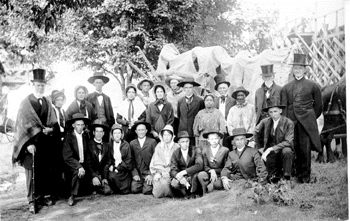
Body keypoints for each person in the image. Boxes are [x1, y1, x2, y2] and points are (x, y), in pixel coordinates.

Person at [12, 69, 57, 213]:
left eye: (42, 85)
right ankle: (32, 200)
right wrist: (28, 145)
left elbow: (53, 123)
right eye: (38, 85)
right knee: (31, 172)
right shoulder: (26, 103)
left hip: (45, 143)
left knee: (44, 170)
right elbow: (21, 126)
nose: (40, 87)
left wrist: (50, 130)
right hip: (31, 145)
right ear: (33, 85)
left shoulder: (47, 102)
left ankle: (42, 196)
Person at [281, 53, 323, 183]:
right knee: (294, 148)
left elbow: (318, 107)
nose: (297, 70)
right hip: (292, 122)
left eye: (300, 68)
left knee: (305, 149)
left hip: (306, 123)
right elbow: (284, 107)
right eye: (295, 68)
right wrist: (289, 121)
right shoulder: (286, 88)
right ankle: (296, 174)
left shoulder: (313, 86)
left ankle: (305, 177)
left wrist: (309, 117)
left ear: (305, 69)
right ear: (293, 70)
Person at [254, 97, 294, 183]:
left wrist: (271, 149)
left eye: (275, 111)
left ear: (280, 110)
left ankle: (287, 176)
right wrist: (260, 148)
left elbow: (288, 141)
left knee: (287, 151)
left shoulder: (288, 122)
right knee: (272, 179)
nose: (273, 114)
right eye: (270, 112)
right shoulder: (265, 122)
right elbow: (256, 133)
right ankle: (274, 175)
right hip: (271, 152)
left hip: (282, 149)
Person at [62, 113, 92, 206]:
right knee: (76, 172)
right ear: (73, 125)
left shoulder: (86, 135)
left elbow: (88, 153)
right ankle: (71, 195)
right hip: (72, 165)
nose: (80, 127)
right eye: (78, 125)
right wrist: (79, 166)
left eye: (82, 125)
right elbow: (67, 157)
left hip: (84, 163)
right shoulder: (68, 137)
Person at [170, 131, 204, 198]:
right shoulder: (176, 153)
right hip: (183, 178)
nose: (185, 144)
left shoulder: (196, 150)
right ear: (178, 143)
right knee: (174, 183)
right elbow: (173, 170)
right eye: (183, 142)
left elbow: (199, 165)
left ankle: (195, 193)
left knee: (197, 178)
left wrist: (184, 172)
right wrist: (180, 177)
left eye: (187, 141)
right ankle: (183, 195)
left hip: (194, 175)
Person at [149, 125, 179, 198]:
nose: (166, 137)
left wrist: (170, 171)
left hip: (173, 172)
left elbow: (178, 162)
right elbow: (155, 161)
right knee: (157, 193)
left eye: (168, 135)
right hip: (161, 171)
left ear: (172, 136)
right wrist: (161, 172)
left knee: (169, 184)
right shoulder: (159, 146)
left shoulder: (177, 146)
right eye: (164, 135)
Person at [130, 121, 157, 194]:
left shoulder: (152, 142)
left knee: (147, 191)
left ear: (146, 131)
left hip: (148, 172)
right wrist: (135, 174)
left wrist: (151, 174)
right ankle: (141, 183)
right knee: (134, 189)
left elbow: (156, 160)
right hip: (138, 173)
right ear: (136, 131)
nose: (141, 132)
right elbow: (131, 160)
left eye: (143, 130)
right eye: (139, 130)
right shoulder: (132, 143)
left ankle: (148, 184)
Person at [86, 119, 112, 195]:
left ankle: (100, 186)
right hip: (91, 174)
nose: (99, 134)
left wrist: (104, 177)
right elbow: (88, 163)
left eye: (101, 132)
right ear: (93, 132)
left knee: (107, 191)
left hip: (102, 173)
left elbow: (107, 162)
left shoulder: (107, 145)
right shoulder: (88, 145)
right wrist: (94, 176)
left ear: (103, 133)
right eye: (97, 131)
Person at [50, 89, 68, 198]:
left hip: (62, 139)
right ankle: (53, 192)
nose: (60, 102)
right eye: (57, 99)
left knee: (63, 165)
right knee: (54, 166)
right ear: (54, 100)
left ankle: (62, 190)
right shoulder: (51, 111)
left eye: (61, 99)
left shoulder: (63, 111)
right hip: (54, 140)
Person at [106, 124, 133, 194]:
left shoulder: (126, 145)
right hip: (114, 168)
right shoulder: (109, 145)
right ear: (112, 135)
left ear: (121, 134)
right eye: (115, 133)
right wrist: (111, 165)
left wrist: (118, 167)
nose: (117, 135)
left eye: (119, 133)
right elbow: (108, 158)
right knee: (111, 176)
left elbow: (128, 160)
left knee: (124, 190)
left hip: (124, 169)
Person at [177, 77, 204, 145]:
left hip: (194, 131)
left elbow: (201, 116)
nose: (188, 89)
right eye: (186, 87)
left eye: (190, 87)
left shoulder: (199, 101)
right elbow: (179, 116)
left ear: (193, 88)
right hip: (183, 131)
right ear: (183, 89)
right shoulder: (180, 101)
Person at [213, 75, 236, 149]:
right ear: (217, 90)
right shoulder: (215, 101)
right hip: (217, 127)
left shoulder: (233, 101)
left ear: (227, 88)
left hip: (228, 127)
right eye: (220, 88)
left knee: (227, 146)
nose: (222, 90)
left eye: (224, 88)